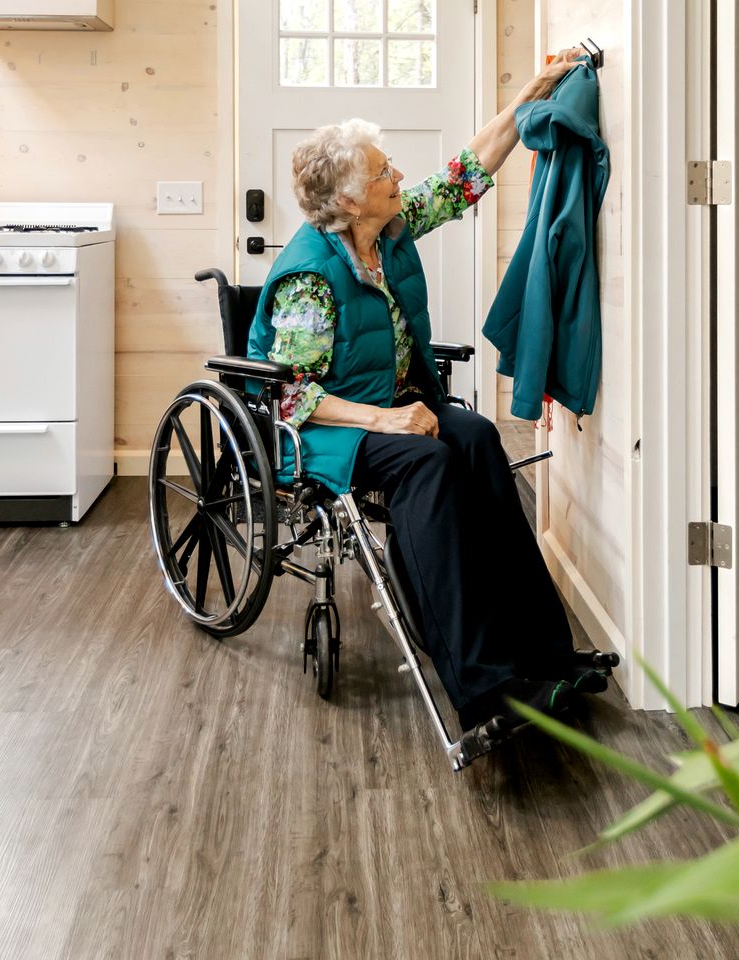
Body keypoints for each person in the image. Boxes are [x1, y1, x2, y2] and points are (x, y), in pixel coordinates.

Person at [246, 49, 607, 734]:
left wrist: (531, 94)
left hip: (395, 401)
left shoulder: (389, 225)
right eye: (384, 172)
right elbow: (293, 398)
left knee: (476, 437)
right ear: (350, 199)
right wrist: (386, 420)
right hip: (333, 430)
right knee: (430, 463)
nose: (398, 176)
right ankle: (483, 685)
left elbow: (464, 174)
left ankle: (545, 653)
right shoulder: (307, 281)